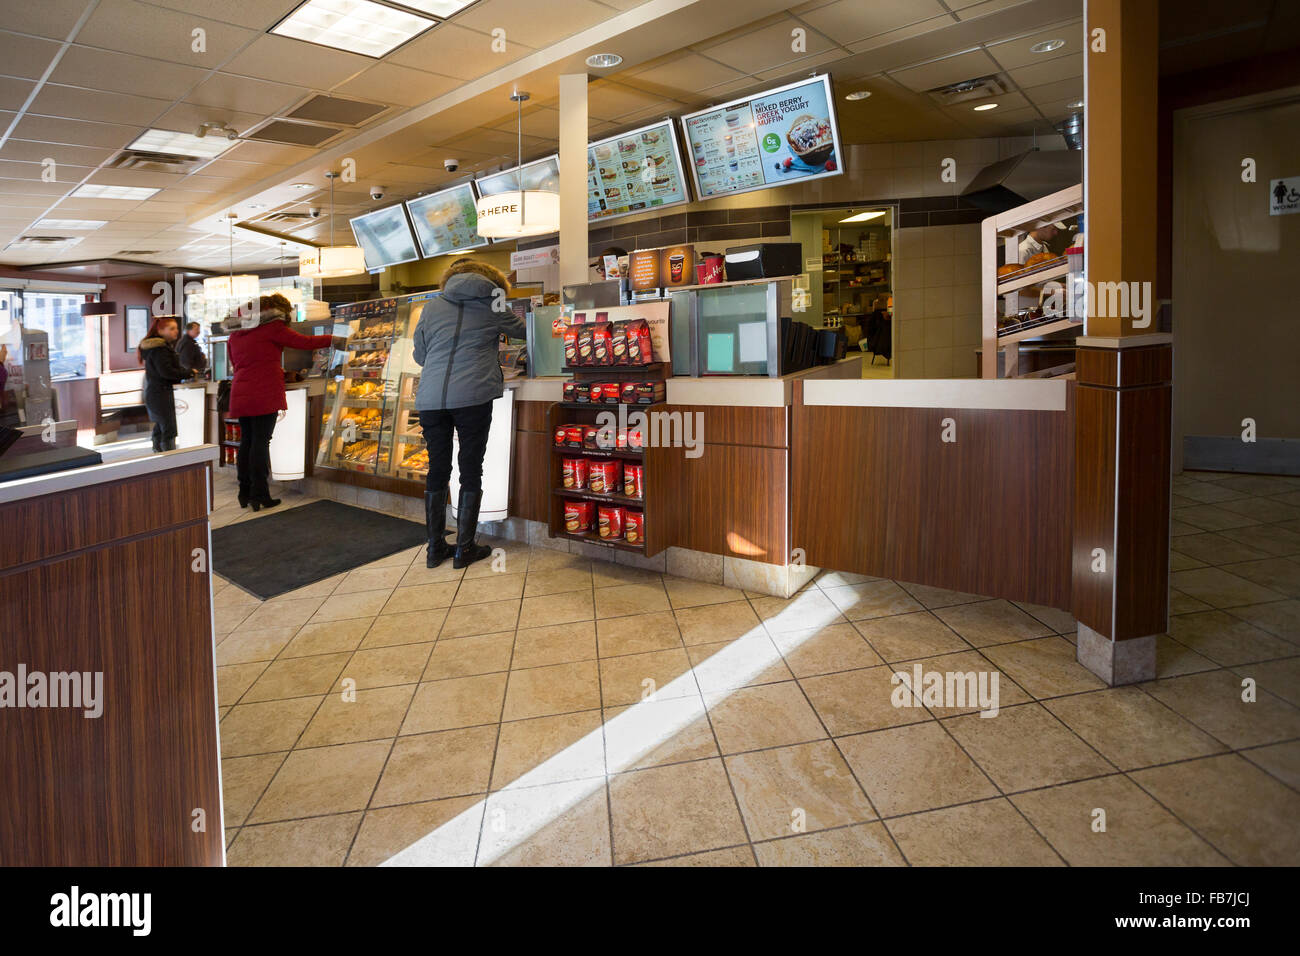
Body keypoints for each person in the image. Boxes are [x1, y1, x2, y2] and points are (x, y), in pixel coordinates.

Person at [412, 258, 525, 569]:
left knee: (438, 469)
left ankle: (435, 548)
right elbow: (525, 332)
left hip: (431, 398)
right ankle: (464, 549)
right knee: (470, 468)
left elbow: (420, 354)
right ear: (491, 281)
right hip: (473, 396)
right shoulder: (494, 303)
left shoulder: (432, 306)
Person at [225, 294, 343, 511]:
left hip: (241, 390)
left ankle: (245, 491)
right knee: (261, 442)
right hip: (264, 391)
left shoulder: (235, 334)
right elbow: (303, 342)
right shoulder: (272, 327)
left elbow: (236, 363)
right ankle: (261, 494)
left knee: (247, 442)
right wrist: (333, 339)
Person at [138, 315, 191, 453]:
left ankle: (159, 457)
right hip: (161, 394)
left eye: (176, 328)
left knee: (160, 427)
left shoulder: (157, 348)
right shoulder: (160, 349)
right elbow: (167, 372)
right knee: (169, 429)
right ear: (161, 331)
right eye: (172, 329)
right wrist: (188, 373)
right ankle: (169, 459)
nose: (176, 331)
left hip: (155, 393)